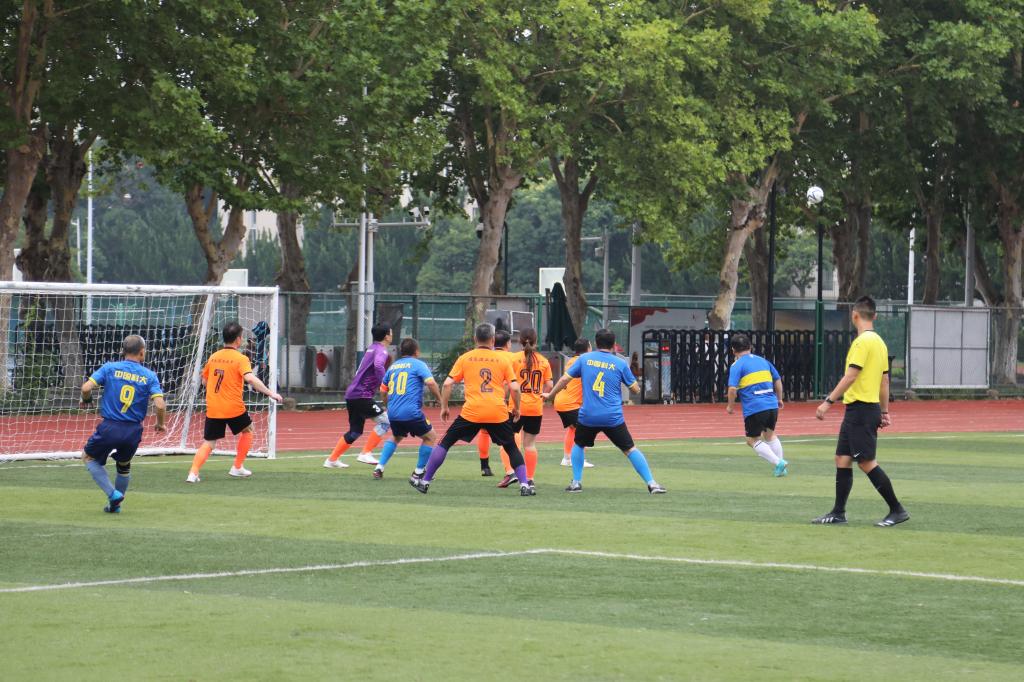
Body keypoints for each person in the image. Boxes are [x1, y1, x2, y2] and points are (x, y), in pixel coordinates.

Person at [813, 296, 909, 527]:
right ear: (874, 316)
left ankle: (897, 509)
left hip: (861, 410)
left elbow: (851, 376)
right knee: (842, 458)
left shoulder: (861, 343)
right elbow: (885, 381)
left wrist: (828, 401)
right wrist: (884, 411)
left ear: (854, 315)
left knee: (866, 462)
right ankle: (838, 512)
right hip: (862, 410)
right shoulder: (880, 342)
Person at [412, 322, 535, 496]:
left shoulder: (465, 358)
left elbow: (447, 384)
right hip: (497, 412)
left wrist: (444, 407)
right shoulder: (503, 359)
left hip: (472, 412)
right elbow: (515, 388)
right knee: (511, 447)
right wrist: (517, 408)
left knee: (445, 443)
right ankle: (524, 485)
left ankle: (425, 481)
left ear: (475, 339)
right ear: (493, 340)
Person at [545, 328, 666, 494]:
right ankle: (652, 483)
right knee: (630, 449)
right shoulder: (620, 363)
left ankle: (576, 483)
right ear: (614, 345)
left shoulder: (584, 359)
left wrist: (551, 395)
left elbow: (565, 378)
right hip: (612, 416)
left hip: (588, 415)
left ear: (596, 343)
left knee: (579, 445)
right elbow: (635, 389)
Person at [80, 335, 166, 513]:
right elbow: (160, 405)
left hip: (110, 427)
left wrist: (86, 400)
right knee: (124, 465)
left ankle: (113, 494)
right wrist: (160, 424)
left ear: (122, 351)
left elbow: (86, 388)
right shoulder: (149, 376)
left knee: (88, 457)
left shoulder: (110, 368)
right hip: (133, 431)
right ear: (142, 353)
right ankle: (115, 506)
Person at [187, 322, 283, 482]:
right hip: (233, 406)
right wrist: (270, 393)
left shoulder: (214, 357)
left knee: (209, 442)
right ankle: (237, 467)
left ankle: (193, 473)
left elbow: (204, 381)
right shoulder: (241, 358)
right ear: (238, 339)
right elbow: (250, 378)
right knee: (248, 430)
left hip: (214, 406)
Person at [324, 322, 393, 468]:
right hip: (362, 395)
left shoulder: (371, 348)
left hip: (352, 394)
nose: (392, 335)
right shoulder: (381, 350)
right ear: (387, 336)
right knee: (386, 421)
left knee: (355, 431)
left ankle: (332, 460)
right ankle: (366, 453)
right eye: (391, 333)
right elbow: (378, 365)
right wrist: (386, 383)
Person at [373, 337, 443, 480]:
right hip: (411, 412)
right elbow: (431, 383)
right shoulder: (419, 364)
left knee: (396, 436)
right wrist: (440, 400)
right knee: (430, 437)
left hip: (393, 412)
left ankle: (379, 467)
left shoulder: (393, 367)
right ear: (416, 351)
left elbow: (383, 390)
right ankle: (419, 472)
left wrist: (388, 405)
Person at [726, 333, 788, 476]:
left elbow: (732, 389)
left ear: (733, 350)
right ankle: (781, 468)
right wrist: (779, 399)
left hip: (755, 407)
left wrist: (730, 406)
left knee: (751, 440)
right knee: (770, 435)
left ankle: (778, 462)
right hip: (772, 405)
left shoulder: (736, 365)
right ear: (750, 346)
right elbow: (777, 380)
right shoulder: (763, 361)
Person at [506, 327, 552, 487]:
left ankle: (513, 473)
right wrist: (543, 397)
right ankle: (530, 478)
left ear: (520, 341)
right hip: (534, 408)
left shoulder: (513, 359)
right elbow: (549, 384)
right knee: (530, 445)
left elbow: (509, 384)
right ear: (536, 341)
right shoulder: (543, 361)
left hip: (516, 407)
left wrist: (504, 398)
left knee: (510, 442)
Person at [476, 329, 514, 478]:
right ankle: (511, 469)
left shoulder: (485, 356)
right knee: (511, 435)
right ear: (508, 343)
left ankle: (484, 466)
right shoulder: (513, 357)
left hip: (483, 400)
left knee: (484, 432)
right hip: (503, 403)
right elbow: (512, 384)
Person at [555, 338, 595, 469]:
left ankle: (567, 458)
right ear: (588, 348)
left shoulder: (572, 361)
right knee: (584, 430)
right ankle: (578, 460)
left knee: (573, 429)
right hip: (570, 403)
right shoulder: (584, 362)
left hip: (562, 400)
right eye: (591, 346)